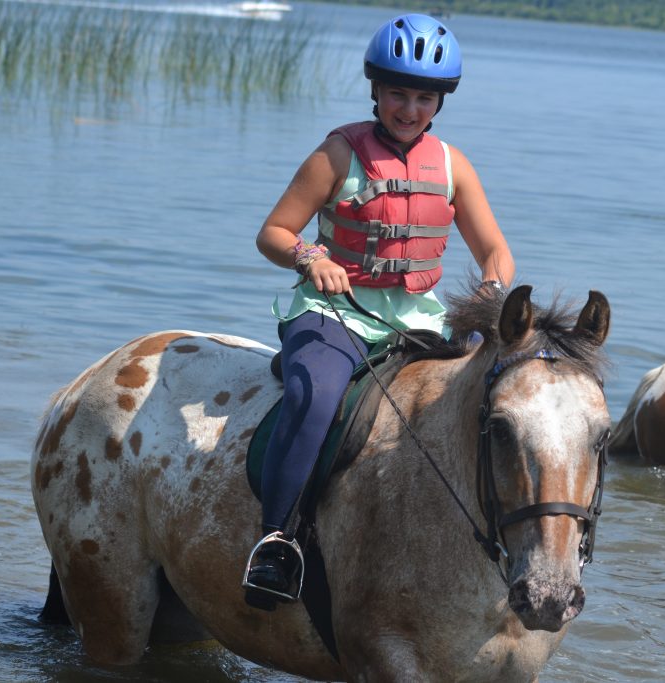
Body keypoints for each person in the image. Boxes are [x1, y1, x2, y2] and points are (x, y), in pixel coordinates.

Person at [243, 13, 514, 601]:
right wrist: (310, 255)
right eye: (398, 92)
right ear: (375, 90)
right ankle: (276, 543)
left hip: (421, 320)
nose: (409, 108)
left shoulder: (452, 166)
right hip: (334, 311)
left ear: (440, 101)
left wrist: (491, 289)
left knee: (497, 401)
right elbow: (273, 231)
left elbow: (495, 250)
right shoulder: (337, 155)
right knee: (313, 396)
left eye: (423, 96)